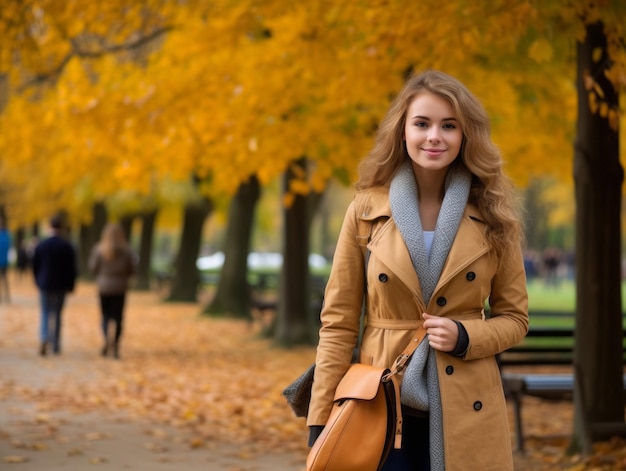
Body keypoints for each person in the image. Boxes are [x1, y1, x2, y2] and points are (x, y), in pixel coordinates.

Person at [306, 71, 529, 471]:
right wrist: (321, 415)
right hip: (379, 402)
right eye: (422, 124)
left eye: (449, 126)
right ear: (402, 131)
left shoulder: (495, 215)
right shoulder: (366, 211)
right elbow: (338, 322)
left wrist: (465, 334)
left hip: (469, 407)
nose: (434, 137)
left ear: (466, 135)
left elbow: (515, 318)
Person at [88, 222, 137, 359]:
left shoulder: (99, 249)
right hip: (120, 287)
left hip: (104, 286)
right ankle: (115, 344)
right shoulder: (127, 251)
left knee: (105, 316)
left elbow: (93, 267)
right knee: (118, 317)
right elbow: (132, 269)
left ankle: (106, 339)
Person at [32, 215, 78, 356]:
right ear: (61, 227)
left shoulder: (42, 245)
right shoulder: (67, 246)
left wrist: (37, 281)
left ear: (49, 227)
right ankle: (56, 343)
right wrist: (71, 285)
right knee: (57, 313)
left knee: (45, 312)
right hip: (61, 285)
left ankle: (44, 336)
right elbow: (72, 268)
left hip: (45, 283)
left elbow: (35, 265)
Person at [0, 218, 11, 303]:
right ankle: (7, 297)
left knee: (4, 280)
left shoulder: (5, 235)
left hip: (3, 260)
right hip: (4, 260)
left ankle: (5, 297)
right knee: (5, 280)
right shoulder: (7, 235)